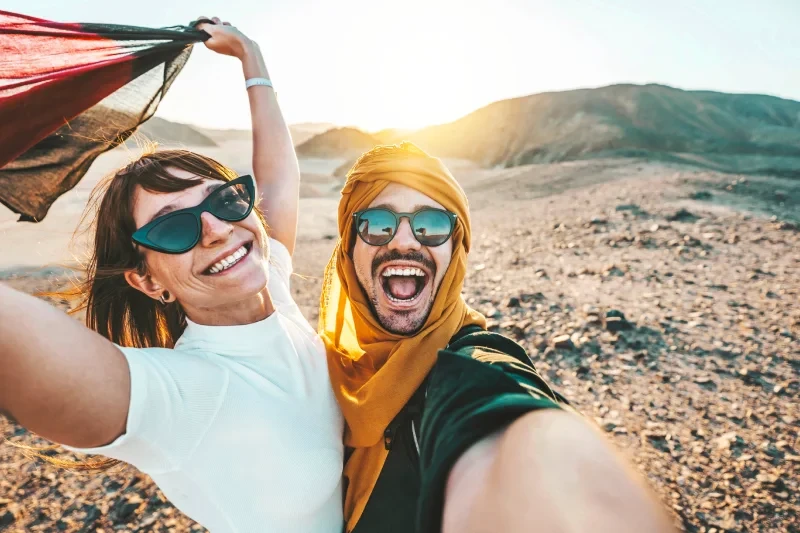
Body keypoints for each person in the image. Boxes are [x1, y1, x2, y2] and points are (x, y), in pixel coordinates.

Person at [0, 18, 343, 533]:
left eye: (225, 200)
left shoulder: (268, 282)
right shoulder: (185, 394)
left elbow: (276, 178)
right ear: (147, 281)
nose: (215, 229)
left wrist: (252, 58)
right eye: (173, 228)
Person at [319, 142, 677, 533]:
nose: (404, 242)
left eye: (432, 224)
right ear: (348, 248)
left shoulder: (469, 364)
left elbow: (504, 420)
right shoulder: (325, 371)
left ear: (455, 248)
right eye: (377, 223)